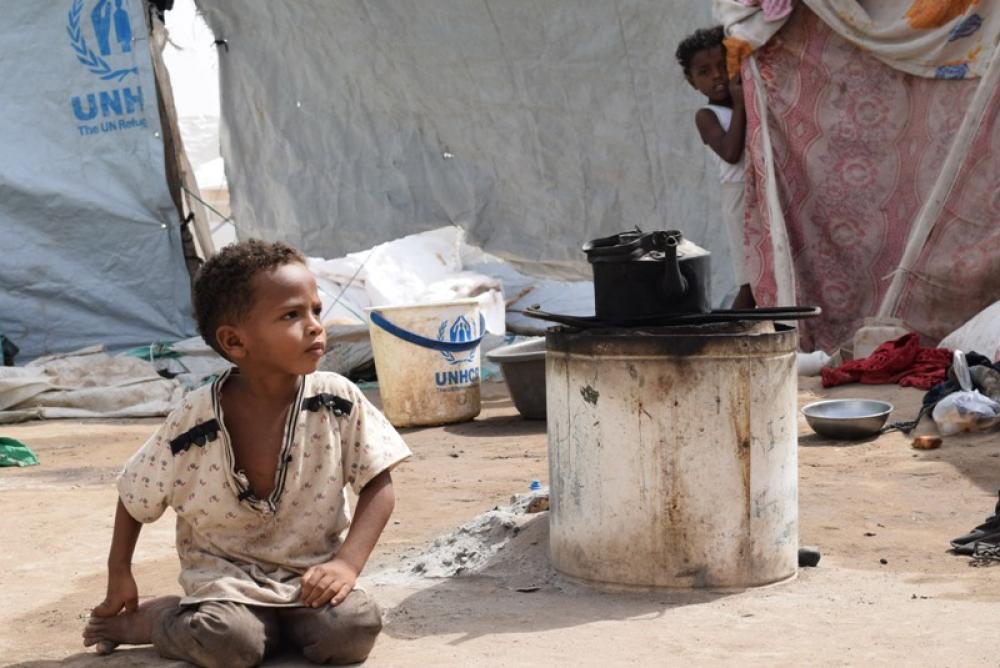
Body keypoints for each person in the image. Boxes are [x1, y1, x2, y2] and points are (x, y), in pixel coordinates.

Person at [82, 240, 411, 667]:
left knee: (354, 629)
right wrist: (120, 572)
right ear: (235, 342)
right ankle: (156, 620)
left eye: (316, 310)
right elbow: (134, 493)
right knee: (230, 641)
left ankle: (278, 628)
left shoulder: (336, 400)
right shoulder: (195, 420)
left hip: (309, 577)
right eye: (292, 315)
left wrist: (346, 565)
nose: (315, 326)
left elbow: (379, 485)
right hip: (226, 583)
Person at [676, 26, 756, 310]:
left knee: (768, 272)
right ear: (691, 81)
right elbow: (731, 153)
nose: (718, 76)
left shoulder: (751, 101)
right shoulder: (707, 116)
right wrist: (740, 104)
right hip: (739, 198)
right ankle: (728, 332)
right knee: (749, 283)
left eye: (723, 66)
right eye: (705, 72)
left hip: (760, 192)